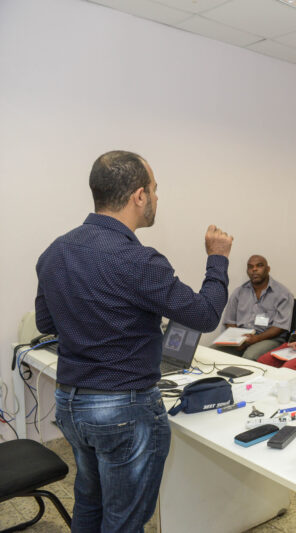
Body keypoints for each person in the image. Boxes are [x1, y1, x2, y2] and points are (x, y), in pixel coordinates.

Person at [35, 150, 233, 532]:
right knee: (124, 521)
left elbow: (46, 322)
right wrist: (218, 259)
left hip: (71, 403)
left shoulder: (54, 252)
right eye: (155, 189)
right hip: (123, 408)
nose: (157, 197)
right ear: (139, 196)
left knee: (90, 503)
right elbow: (205, 315)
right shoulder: (138, 260)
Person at [219, 255, 294, 360]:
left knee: (249, 357)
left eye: (259, 265)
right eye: (250, 267)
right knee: (213, 352)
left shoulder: (283, 294)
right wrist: (237, 339)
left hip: (269, 339)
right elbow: (229, 321)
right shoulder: (239, 292)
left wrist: (257, 338)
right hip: (242, 338)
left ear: (268, 269)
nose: (254, 269)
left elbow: (280, 327)